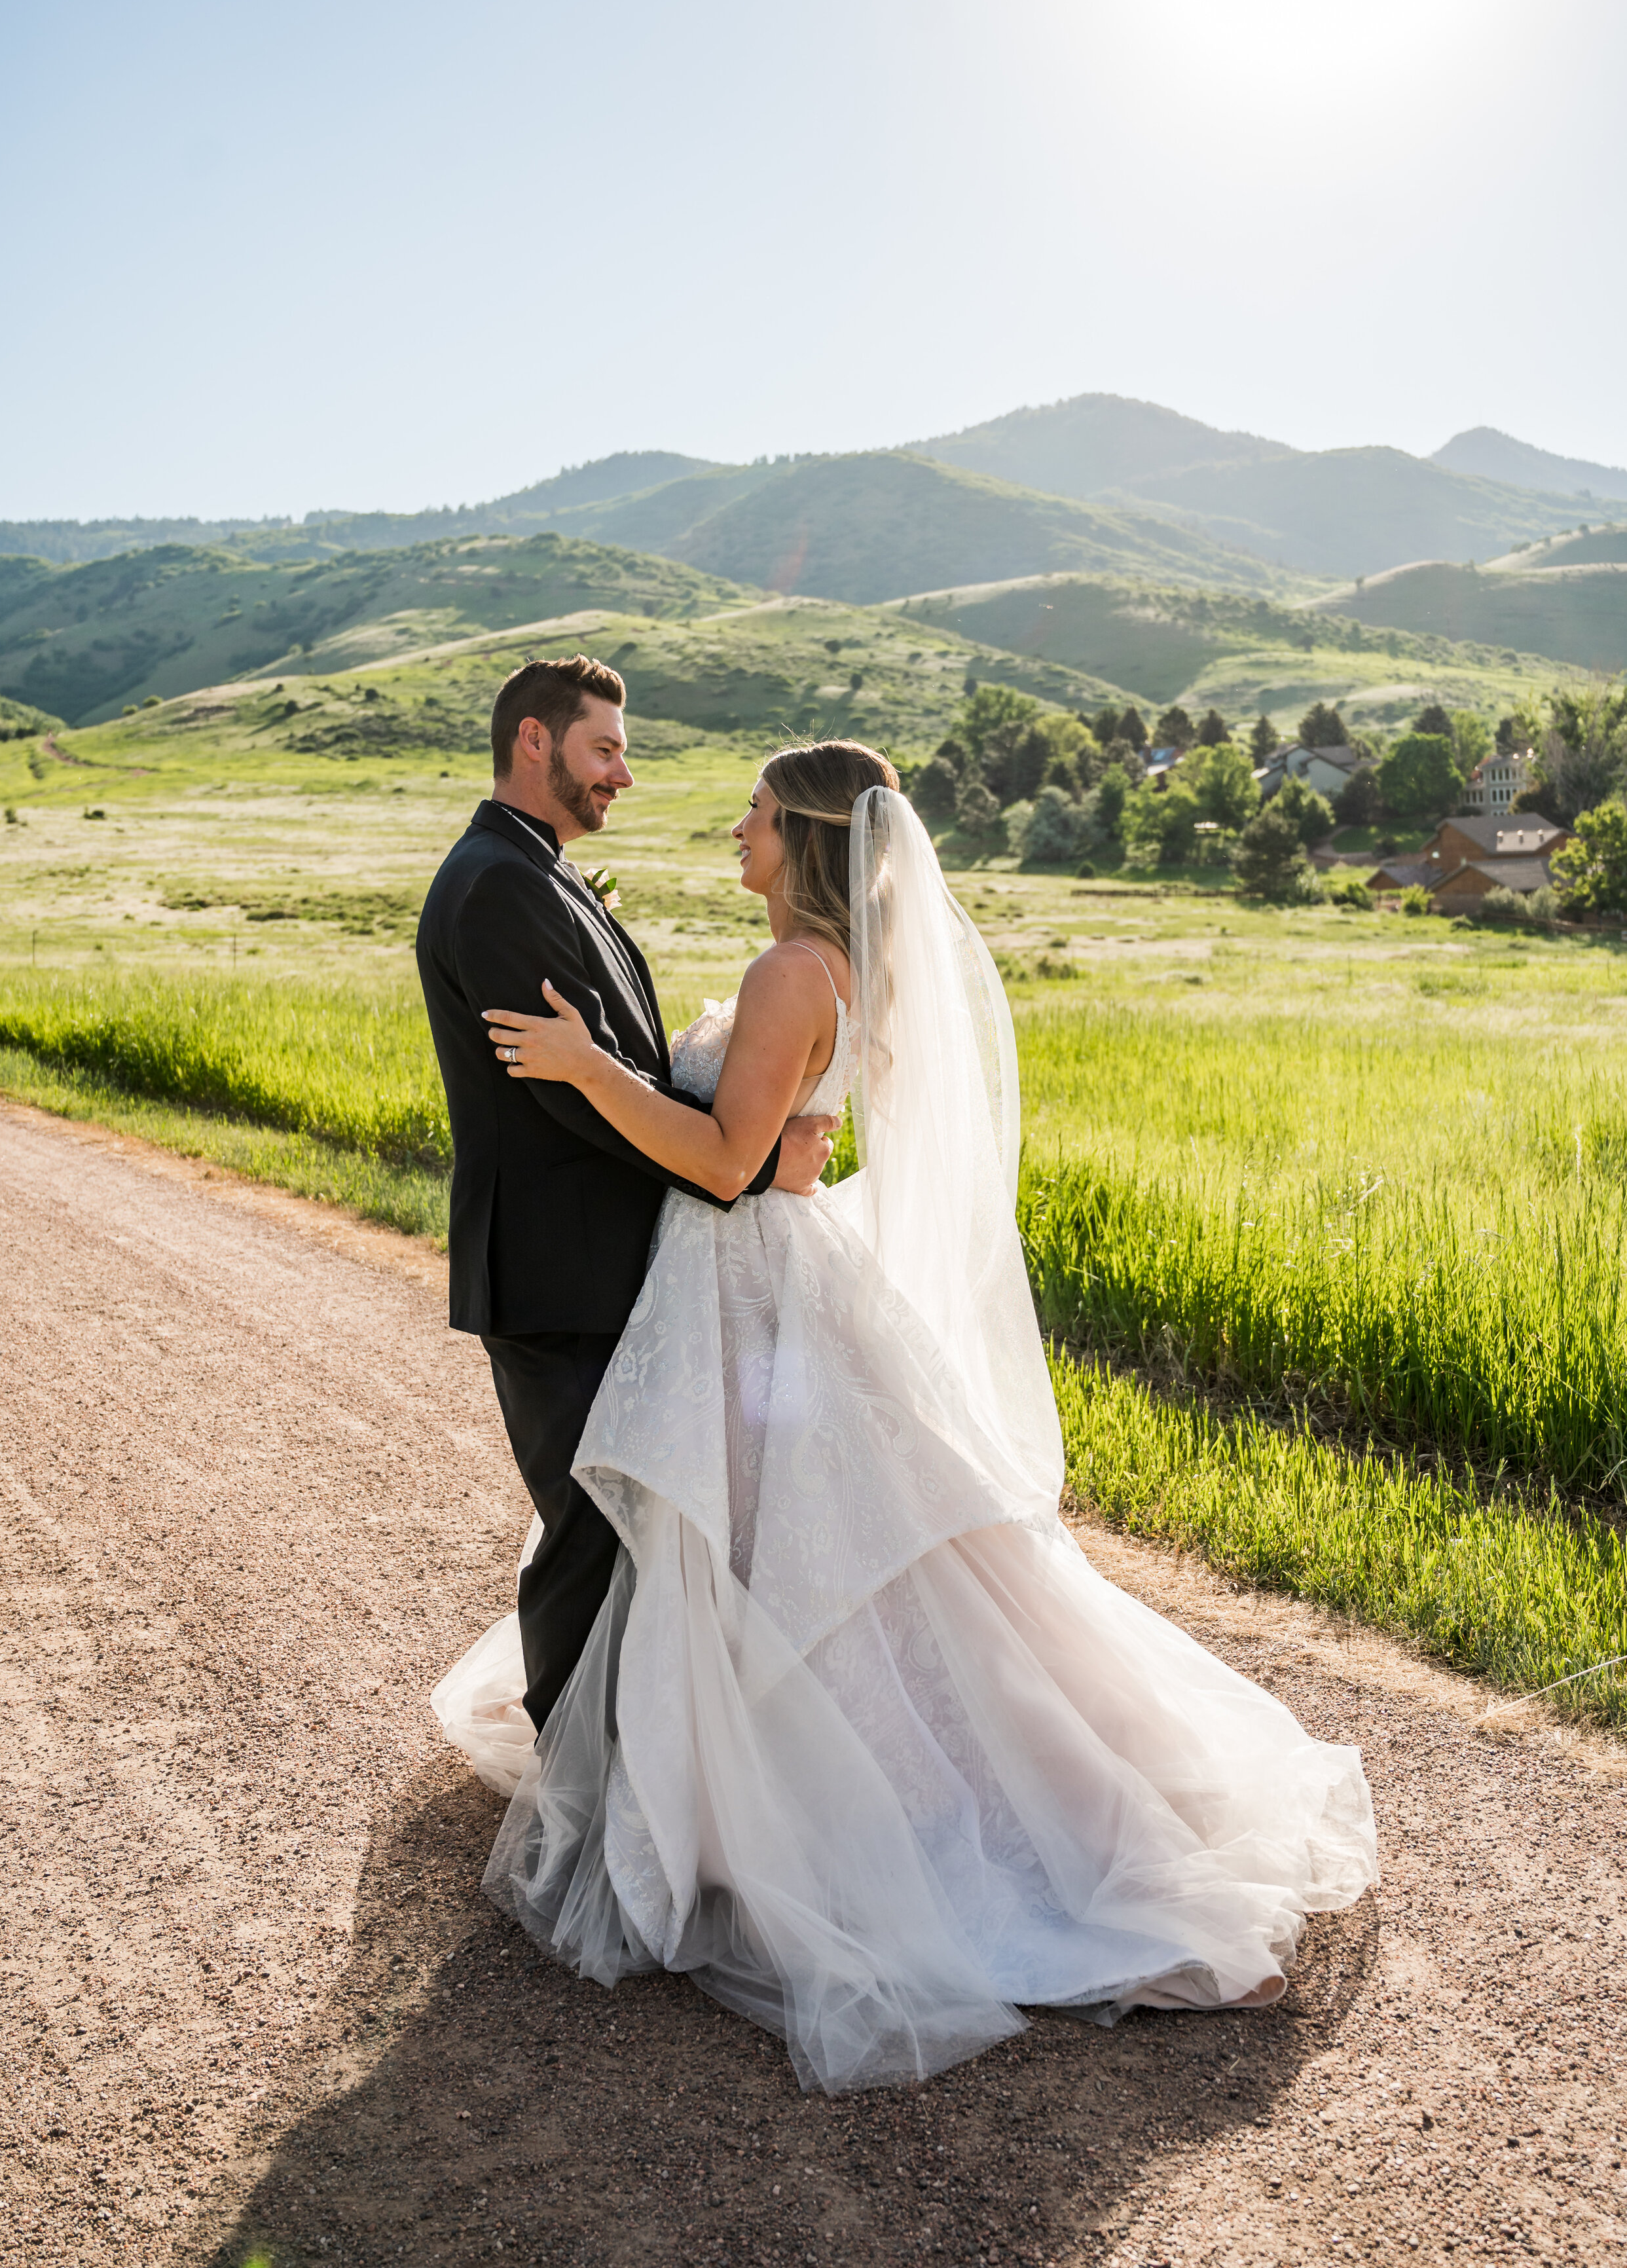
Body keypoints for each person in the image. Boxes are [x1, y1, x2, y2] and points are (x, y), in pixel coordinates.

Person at [434, 737, 1378, 2094]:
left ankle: (857, 1835)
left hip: (756, 1294)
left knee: (778, 1557)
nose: (734, 836)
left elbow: (720, 1160)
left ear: (805, 839)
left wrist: (588, 1069)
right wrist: (755, 1139)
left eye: (754, 817)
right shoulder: (838, 969)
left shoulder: (784, 972)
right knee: (826, 1563)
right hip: (781, 1270)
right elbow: (776, 1144)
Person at [415, 654, 835, 1738]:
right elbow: (572, 1100)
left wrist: (734, 1149)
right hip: (559, 1273)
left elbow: (615, 1068)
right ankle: (576, 1776)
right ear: (535, 743)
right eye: (606, 749)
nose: (624, 775)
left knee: (631, 1523)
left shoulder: (539, 869)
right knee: (592, 1527)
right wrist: (743, 1170)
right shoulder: (501, 884)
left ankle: (629, 1765)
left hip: (610, 1264)